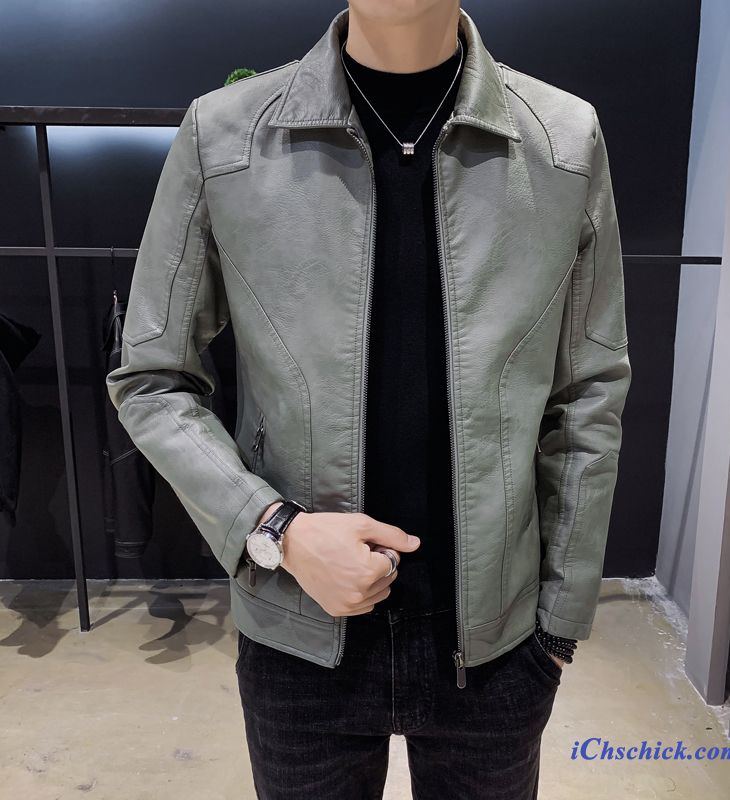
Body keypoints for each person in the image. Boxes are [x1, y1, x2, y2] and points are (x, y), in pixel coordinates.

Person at [106, 1, 632, 797]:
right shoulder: (226, 136)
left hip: (496, 652)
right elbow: (151, 376)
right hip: (300, 637)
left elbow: (587, 392)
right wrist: (273, 529)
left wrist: (559, 624)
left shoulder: (563, 139)